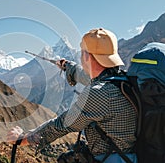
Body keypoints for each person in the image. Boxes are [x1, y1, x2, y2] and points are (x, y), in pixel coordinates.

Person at [7, 28, 138, 163]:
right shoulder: (121, 79)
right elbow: (84, 75)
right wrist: (67, 66)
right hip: (128, 156)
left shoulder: (99, 93)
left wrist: (25, 138)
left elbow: (62, 124)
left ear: (87, 56)